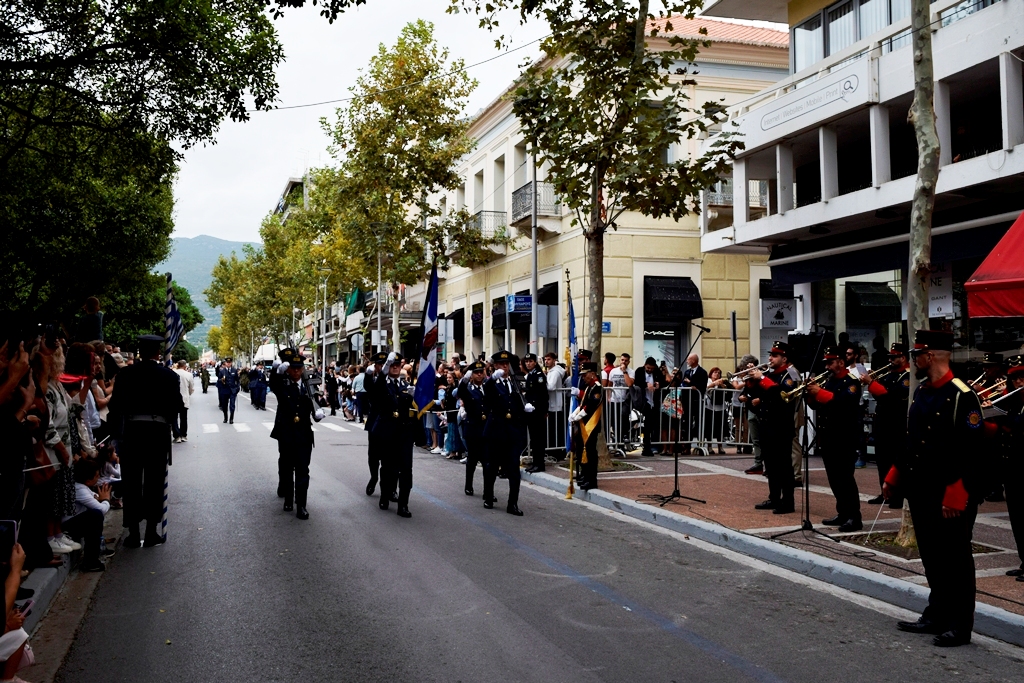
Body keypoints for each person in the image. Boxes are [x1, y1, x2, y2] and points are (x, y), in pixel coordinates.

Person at [883, 330, 984, 647]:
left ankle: (960, 624)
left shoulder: (961, 395)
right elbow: (913, 439)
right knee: (932, 557)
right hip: (921, 488)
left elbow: (973, 449)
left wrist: (959, 490)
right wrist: (896, 473)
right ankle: (936, 614)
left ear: (933, 355)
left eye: (917, 354)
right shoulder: (923, 391)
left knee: (956, 559)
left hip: (950, 491)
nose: (914, 360)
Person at [107, 334, 183, 548]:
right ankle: (151, 532)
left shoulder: (125, 374)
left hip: (132, 431)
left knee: (131, 482)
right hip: (157, 432)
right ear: (158, 353)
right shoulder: (169, 376)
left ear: (140, 351)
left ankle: (132, 533)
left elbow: (115, 406)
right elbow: (176, 405)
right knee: (154, 482)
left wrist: (115, 434)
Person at [806, 346, 863, 532]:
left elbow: (842, 403)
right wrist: (810, 393)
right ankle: (843, 512)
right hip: (829, 437)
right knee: (834, 479)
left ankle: (855, 517)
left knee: (845, 478)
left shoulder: (851, 382)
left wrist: (818, 392)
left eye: (830, 363)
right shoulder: (828, 381)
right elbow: (816, 406)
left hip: (844, 437)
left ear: (840, 362)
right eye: (826, 363)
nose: (828, 367)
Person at [269, 349, 323, 520]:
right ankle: (288, 498)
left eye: (299, 368)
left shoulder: (309, 386)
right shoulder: (282, 384)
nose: (296, 371)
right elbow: (274, 385)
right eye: (293, 368)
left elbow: (318, 402)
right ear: (288, 369)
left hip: (304, 435)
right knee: (286, 468)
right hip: (286, 433)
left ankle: (301, 505)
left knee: (302, 470)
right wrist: (277, 372)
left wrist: (319, 408)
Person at [745, 342, 799, 514]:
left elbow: (780, 394)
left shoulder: (789, 374)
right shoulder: (771, 374)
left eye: (774, 356)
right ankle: (774, 498)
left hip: (781, 425)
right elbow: (758, 395)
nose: (770, 358)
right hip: (767, 423)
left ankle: (788, 502)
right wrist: (751, 379)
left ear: (784, 358)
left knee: (784, 465)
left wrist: (761, 377)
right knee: (771, 465)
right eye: (770, 355)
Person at [482, 350, 532, 515]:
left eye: (507, 364)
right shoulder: (492, 383)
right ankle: (488, 496)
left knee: (514, 470)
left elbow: (520, 400)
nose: (505, 367)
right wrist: (492, 379)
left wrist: (525, 408)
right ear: (495, 366)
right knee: (492, 467)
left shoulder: (515, 382)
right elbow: (486, 393)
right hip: (496, 431)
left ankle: (513, 504)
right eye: (501, 364)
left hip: (512, 433)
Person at [370, 352, 417, 518]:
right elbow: (376, 389)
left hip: (404, 433)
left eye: (398, 365)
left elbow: (414, 410)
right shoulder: (381, 383)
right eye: (392, 365)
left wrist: (414, 397)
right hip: (387, 432)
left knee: (406, 470)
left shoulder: (406, 384)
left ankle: (403, 504)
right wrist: (383, 370)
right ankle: (384, 495)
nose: (395, 367)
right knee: (388, 468)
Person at [863, 343, 910, 508]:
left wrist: (871, 383)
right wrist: (873, 380)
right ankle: (885, 493)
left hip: (895, 425)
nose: (890, 360)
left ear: (903, 358)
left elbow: (891, 399)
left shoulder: (906, 377)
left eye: (894, 357)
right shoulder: (890, 375)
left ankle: (897, 495)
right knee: (882, 460)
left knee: (894, 461)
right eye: (890, 357)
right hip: (882, 424)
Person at [61, 459, 112, 573]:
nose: (98, 478)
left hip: (73, 522)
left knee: (94, 515)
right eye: (97, 476)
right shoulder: (78, 489)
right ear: (88, 480)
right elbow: (101, 508)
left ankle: (98, 549)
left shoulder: (81, 486)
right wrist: (106, 500)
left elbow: (95, 497)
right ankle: (90, 562)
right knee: (95, 515)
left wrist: (99, 499)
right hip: (67, 527)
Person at [570, 362, 603, 490]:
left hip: (591, 425)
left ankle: (592, 480)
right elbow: (583, 403)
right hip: (584, 425)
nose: (583, 377)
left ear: (593, 374)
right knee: (582, 451)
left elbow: (592, 405)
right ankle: (585, 476)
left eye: (585, 375)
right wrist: (575, 413)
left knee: (590, 452)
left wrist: (581, 414)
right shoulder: (589, 387)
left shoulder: (597, 387)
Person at [459, 360, 488, 495]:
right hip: (473, 429)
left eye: (481, 372)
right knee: (473, 459)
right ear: (472, 375)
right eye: (476, 373)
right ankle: (468, 485)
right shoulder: (468, 389)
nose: (479, 375)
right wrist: (464, 380)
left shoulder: (487, 387)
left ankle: (488, 491)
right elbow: (460, 391)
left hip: (486, 428)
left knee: (487, 460)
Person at [362, 352, 388, 496]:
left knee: (389, 458)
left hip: (390, 422)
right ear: (376, 366)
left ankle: (388, 487)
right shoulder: (373, 380)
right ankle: (374, 478)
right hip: (375, 422)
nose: (382, 367)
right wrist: (367, 374)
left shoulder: (395, 380)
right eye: (380, 364)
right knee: (373, 455)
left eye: (385, 364)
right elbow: (370, 389)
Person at [522, 353, 549, 473]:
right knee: (534, 438)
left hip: (537, 411)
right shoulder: (530, 375)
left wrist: (542, 410)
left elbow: (542, 395)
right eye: (526, 361)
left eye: (530, 361)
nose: (528, 363)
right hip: (531, 411)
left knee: (538, 439)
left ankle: (539, 464)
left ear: (535, 362)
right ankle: (535, 462)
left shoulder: (539, 375)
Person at [604, 353, 635, 448]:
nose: (623, 362)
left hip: (624, 400)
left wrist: (624, 371)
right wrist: (608, 397)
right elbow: (609, 384)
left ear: (629, 362)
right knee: (613, 422)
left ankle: (621, 444)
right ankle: (614, 443)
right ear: (619, 360)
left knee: (621, 421)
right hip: (613, 400)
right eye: (622, 360)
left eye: (626, 360)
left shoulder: (631, 372)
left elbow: (630, 383)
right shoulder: (613, 371)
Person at [680, 353, 708, 455]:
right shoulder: (687, 372)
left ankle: (700, 444)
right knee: (687, 423)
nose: (687, 361)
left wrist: (691, 383)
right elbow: (684, 383)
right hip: (687, 401)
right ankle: (687, 445)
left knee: (698, 423)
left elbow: (702, 386)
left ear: (694, 361)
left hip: (697, 401)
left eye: (689, 359)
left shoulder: (702, 372)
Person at [637, 357, 662, 457]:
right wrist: (646, 384)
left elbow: (663, 381)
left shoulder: (657, 372)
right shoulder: (639, 371)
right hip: (644, 401)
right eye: (648, 368)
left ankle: (651, 446)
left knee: (651, 425)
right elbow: (637, 382)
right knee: (646, 426)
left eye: (651, 368)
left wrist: (658, 384)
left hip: (654, 401)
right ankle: (646, 447)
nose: (650, 370)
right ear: (645, 365)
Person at [171, 360, 193, 444]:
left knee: (174, 417)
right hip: (184, 398)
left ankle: (177, 436)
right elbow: (191, 387)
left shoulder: (172, 372)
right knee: (184, 417)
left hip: (174, 398)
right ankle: (183, 435)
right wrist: (189, 394)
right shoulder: (188, 375)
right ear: (184, 366)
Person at [216, 357, 240, 424]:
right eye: (227, 363)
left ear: (231, 363)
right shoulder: (222, 371)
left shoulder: (234, 370)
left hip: (232, 390)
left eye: (229, 363)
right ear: (225, 363)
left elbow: (237, 380)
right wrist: (221, 380)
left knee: (232, 405)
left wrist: (237, 388)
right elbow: (218, 380)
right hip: (224, 390)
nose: (228, 364)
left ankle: (231, 418)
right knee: (224, 405)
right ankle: (225, 417)